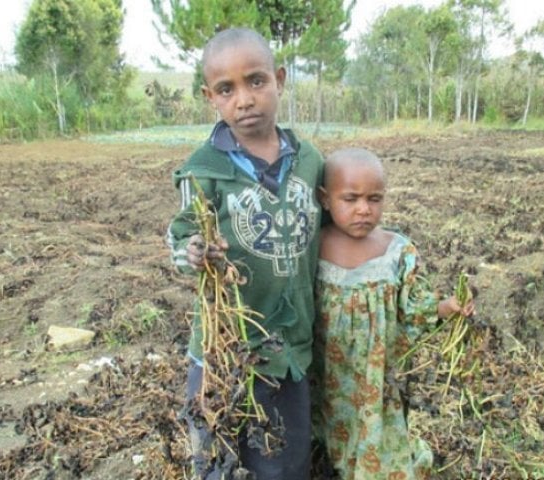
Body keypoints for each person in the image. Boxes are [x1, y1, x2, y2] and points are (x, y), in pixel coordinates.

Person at [165, 28, 324, 480]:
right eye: (226, 89)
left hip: (287, 350)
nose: (245, 99)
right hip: (223, 348)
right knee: (217, 457)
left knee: (284, 461)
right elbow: (182, 234)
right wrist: (192, 251)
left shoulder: (310, 161)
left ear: (279, 79)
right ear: (209, 97)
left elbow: (334, 224)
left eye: (256, 81)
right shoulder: (202, 171)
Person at [311, 147, 475, 480]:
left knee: (376, 442)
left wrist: (446, 307)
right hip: (324, 376)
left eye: (374, 199)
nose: (363, 210)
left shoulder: (396, 251)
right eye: (351, 199)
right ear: (325, 199)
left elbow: (414, 305)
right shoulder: (312, 247)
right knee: (323, 438)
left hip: (373, 380)